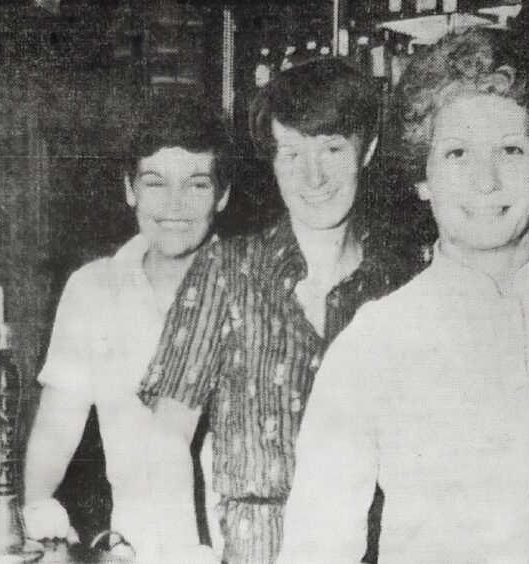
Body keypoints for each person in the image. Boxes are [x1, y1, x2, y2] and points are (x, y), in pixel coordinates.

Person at [277, 28, 529, 563]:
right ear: (422, 176)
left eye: (511, 150)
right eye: (456, 153)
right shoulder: (375, 341)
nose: (486, 181)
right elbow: (315, 550)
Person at [137, 57, 421, 563]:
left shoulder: (399, 286)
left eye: (332, 149)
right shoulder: (228, 270)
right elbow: (163, 442)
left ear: (368, 150)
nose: (312, 176)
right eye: (290, 153)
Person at [23, 97, 231, 563]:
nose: (174, 206)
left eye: (197, 185)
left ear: (222, 194)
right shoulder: (94, 288)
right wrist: (38, 512)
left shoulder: (253, 288)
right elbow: (57, 428)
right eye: (155, 183)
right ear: (129, 189)